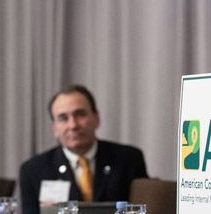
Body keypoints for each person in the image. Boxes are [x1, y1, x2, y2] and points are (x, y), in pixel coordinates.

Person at [19, 85, 148, 214]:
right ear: (55, 128)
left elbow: (145, 209)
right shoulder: (33, 170)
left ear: (96, 118)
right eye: (63, 118)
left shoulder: (129, 159)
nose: (73, 125)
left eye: (80, 114)